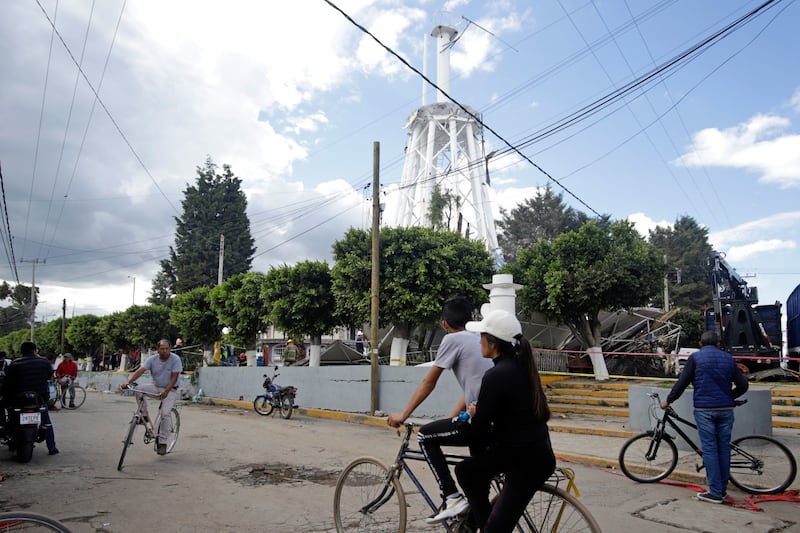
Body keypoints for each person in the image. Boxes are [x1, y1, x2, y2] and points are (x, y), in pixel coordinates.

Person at [387, 297, 493, 523]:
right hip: (492, 421)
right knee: (478, 494)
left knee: (426, 435)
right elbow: (472, 389)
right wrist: (450, 419)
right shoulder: (479, 339)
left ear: (445, 324)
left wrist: (403, 415)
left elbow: (429, 382)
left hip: (479, 420)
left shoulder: (452, 339)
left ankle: (451, 496)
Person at [453, 309, 555, 531]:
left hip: (524, 463)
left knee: (467, 472)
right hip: (535, 454)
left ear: (492, 343)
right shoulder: (521, 368)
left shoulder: (497, 375)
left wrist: (470, 417)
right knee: (469, 471)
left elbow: (478, 430)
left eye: (481, 336)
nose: (478, 341)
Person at [660, 330, 749, 504]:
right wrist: (730, 396)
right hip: (726, 409)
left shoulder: (695, 358)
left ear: (700, 344)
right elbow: (743, 385)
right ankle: (721, 490)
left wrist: (668, 401)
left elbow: (682, 383)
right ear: (718, 343)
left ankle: (715, 493)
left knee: (709, 449)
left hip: (705, 410)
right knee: (723, 449)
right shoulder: (728, 359)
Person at [121, 339, 182, 455]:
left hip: (171, 390)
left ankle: (163, 442)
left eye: (167, 348)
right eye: (162, 349)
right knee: (138, 389)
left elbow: (174, 377)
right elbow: (140, 371)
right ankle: (144, 414)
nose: (165, 351)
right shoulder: (152, 359)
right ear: (157, 349)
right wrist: (128, 383)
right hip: (157, 387)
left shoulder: (175, 359)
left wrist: (167, 391)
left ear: (170, 349)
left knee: (165, 413)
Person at [2, 342, 59, 455]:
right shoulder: (44, 362)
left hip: (19, 399)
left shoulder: (15, 363)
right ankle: (51, 447)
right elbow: (49, 376)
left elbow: (7, 383)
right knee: (46, 421)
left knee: (6, 412)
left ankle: (5, 433)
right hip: (39, 398)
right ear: (34, 350)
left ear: (21, 352)